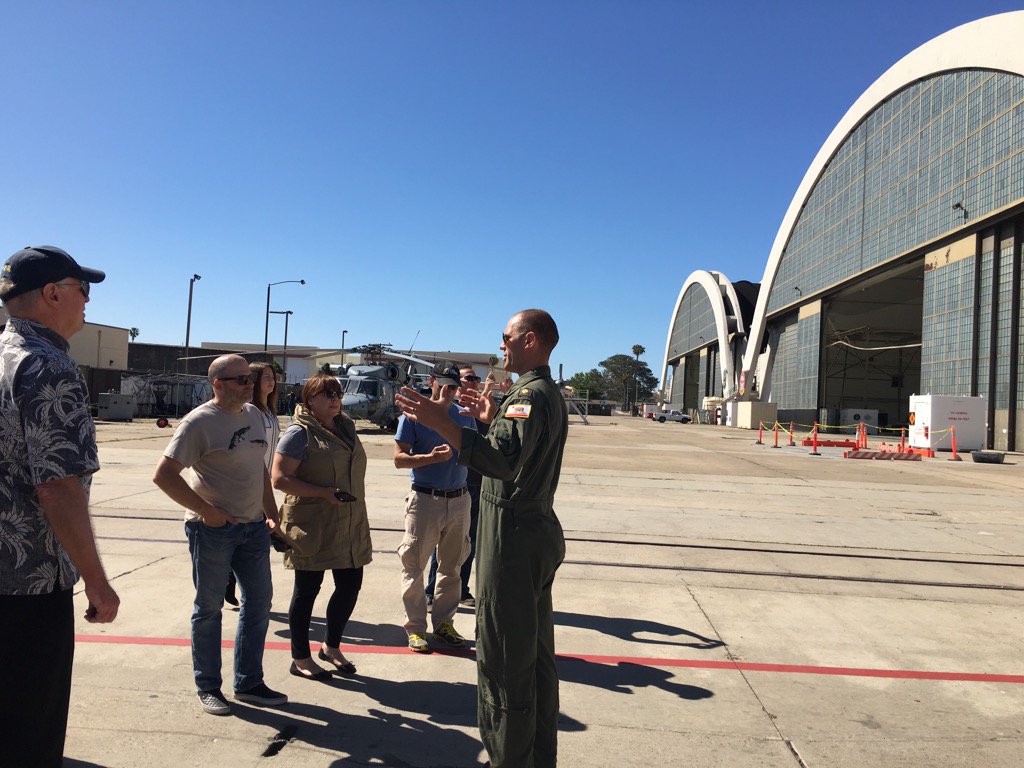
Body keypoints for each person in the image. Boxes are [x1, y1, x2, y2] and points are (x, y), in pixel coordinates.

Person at [395, 310, 567, 768]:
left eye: (507, 337)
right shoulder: (536, 393)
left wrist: (444, 420)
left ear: (529, 339)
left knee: (505, 656)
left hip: (512, 539)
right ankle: (533, 754)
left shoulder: (528, 395)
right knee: (533, 654)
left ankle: (509, 756)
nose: (502, 345)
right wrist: (489, 420)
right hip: (527, 532)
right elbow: (518, 452)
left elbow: (502, 461)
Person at [0, 246, 120, 768]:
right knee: (30, 730)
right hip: (30, 582)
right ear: (52, 294)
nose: (88, 300)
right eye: (81, 288)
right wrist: (95, 579)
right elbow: (58, 486)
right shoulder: (49, 367)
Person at [153, 354, 287, 716]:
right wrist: (209, 513)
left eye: (249, 378)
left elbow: (259, 473)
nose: (248, 384)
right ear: (217, 383)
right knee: (209, 609)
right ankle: (208, 686)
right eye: (239, 379)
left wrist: (272, 517)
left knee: (259, 604)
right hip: (212, 530)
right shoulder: (199, 422)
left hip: (254, 527)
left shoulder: (257, 417)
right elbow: (164, 476)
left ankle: (248, 682)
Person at [272, 374, 371, 679]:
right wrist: (323, 493)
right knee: (307, 592)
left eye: (337, 393)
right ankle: (300, 658)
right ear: (309, 399)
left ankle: (331, 647)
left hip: (348, 522)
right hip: (312, 523)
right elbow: (278, 479)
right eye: (326, 393)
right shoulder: (299, 434)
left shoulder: (345, 428)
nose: (334, 398)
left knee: (349, 586)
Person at [393, 362, 476, 653]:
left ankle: (444, 624)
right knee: (414, 566)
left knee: (452, 566)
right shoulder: (415, 413)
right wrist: (428, 458)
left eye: (454, 387)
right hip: (425, 500)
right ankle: (416, 628)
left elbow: (476, 452)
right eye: (445, 385)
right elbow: (399, 458)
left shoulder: (463, 415)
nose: (450, 392)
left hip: (459, 499)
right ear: (432, 382)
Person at [425, 364, 485, 608]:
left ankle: (460, 589)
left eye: (474, 378)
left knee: (467, 543)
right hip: (446, 485)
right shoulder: (443, 411)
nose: (471, 382)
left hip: (473, 483)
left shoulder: (474, 411)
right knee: (439, 544)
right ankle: (431, 591)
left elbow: (486, 443)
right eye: (466, 379)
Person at [225, 361, 280, 607]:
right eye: (266, 377)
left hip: (263, 482)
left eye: (273, 377)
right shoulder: (250, 411)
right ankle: (230, 577)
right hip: (249, 484)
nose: (272, 381)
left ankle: (233, 577)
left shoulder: (269, 411)